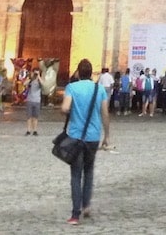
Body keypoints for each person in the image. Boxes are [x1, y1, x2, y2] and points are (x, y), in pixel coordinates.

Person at [59, 58, 111, 226]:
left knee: (76, 174)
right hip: (93, 137)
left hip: (75, 136)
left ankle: (75, 214)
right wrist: (107, 135)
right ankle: (86, 204)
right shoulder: (99, 89)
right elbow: (105, 113)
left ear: (78, 73)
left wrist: (69, 111)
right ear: (91, 73)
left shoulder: (72, 88)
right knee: (89, 171)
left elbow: (65, 108)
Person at [25, 69, 43, 135]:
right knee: (29, 116)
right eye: (35, 73)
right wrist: (31, 78)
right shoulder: (30, 80)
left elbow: (43, 84)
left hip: (37, 100)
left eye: (37, 73)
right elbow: (24, 83)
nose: (35, 74)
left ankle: (35, 130)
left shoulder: (40, 80)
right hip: (30, 100)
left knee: (35, 117)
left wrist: (38, 77)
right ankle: (28, 130)